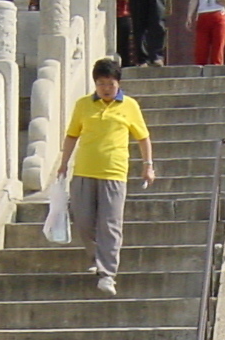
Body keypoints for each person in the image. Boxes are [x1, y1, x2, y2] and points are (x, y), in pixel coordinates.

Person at [52, 57, 155, 295]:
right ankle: (94, 258)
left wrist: (148, 165)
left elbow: (142, 137)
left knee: (110, 224)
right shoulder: (83, 105)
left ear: (118, 83)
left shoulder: (129, 106)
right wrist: (63, 163)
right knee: (84, 220)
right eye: (101, 84)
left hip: (114, 173)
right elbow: (71, 136)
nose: (106, 89)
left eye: (110, 84)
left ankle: (107, 273)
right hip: (84, 171)